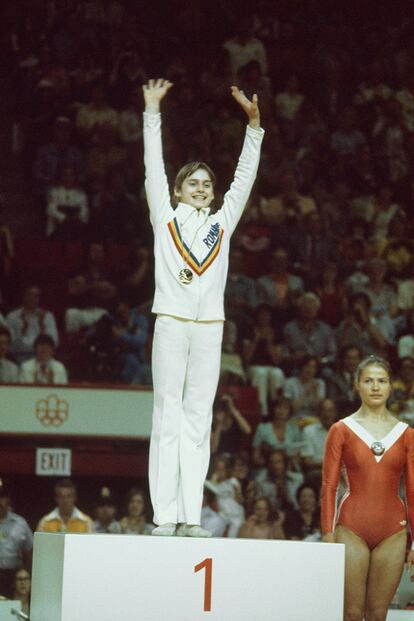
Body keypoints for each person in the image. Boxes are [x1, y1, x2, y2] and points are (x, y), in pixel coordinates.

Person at [143, 78, 264, 537]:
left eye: (206, 183)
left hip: (210, 326)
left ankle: (191, 516)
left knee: (199, 417)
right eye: (191, 182)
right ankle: (164, 515)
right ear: (176, 191)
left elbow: (244, 179)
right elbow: (153, 166)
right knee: (166, 414)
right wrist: (152, 111)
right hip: (172, 321)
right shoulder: (166, 217)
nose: (200, 187)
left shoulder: (221, 223)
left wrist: (254, 128)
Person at [321, 355, 414, 621]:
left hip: (393, 532)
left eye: (382, 381)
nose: (375, 387)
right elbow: (328, 486)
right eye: (369, 381)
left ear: (390, 386)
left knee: (377, 615)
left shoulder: (406, 434)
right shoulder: (341, 430)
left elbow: (412, 490)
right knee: (351, 614)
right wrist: (328, 533)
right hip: (351, 528)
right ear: (357, 385)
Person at [0, 481, 33, 599]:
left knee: (12, 612)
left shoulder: (20, 523)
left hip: (13, 577)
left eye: (2, 497)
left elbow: (29, 553)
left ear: (7, 500)